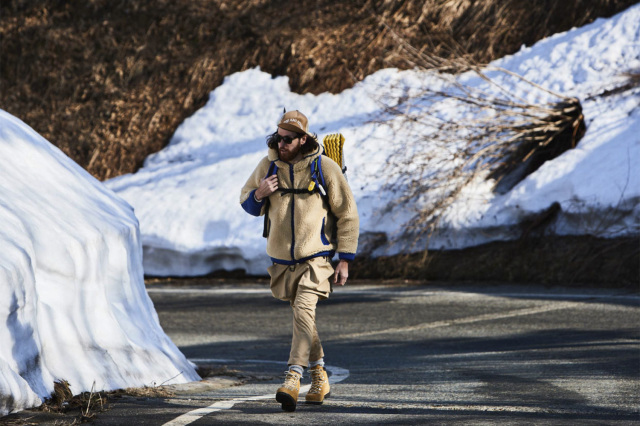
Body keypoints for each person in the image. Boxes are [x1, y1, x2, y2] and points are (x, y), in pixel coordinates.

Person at [240, 110, 359, 412]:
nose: (281, 144)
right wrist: (259, 193)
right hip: (282, 261)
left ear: (303, 139)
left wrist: (344, 259)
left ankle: (293, 377)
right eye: (278, 138)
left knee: (304, 310)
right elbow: (245, 200)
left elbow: (347, 213)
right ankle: (320, 375)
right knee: (303, 318)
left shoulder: (323, 167)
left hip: (316, 258)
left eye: (288, 139)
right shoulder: (268, 166)